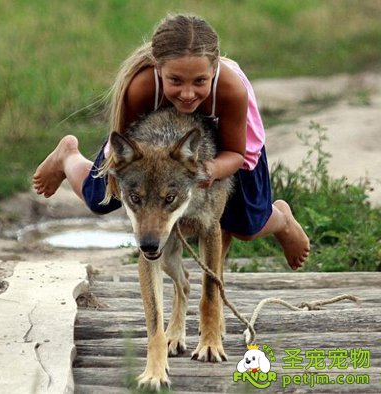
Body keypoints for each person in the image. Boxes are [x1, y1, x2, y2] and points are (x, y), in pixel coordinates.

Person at [33, 13, 310, 270]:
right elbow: (123, 147)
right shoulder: (141, 86)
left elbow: (236, 152)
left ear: (214, 68)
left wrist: (210, 170)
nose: (188, 93)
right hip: (157, 144)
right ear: (158, 67)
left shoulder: (230, 88)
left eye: (200, 81)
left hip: (228, 146)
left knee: (246, 225)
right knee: (99, 200)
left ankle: (282, 220)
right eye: (175, 80)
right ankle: (67, 155)